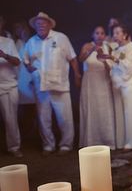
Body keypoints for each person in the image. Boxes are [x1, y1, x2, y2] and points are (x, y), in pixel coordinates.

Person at [23, 12, 81, 155]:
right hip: (40, 85)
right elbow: (25, 60)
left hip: (59, 84)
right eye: (38, 23)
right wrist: (30, 68)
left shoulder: (61, 38)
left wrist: (77, 74)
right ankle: (48, 145)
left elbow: (72, 58)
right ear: (35, 26)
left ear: (49, 24)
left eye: (43, 23)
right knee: (44, 118)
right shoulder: (31, 42)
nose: (41, 25)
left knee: (64, 117)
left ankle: (66, 145)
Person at [102, 25, 132, 150]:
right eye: (114, 33)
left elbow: (131, 66)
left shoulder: (131, 47)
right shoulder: (115, 49)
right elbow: (112, 67)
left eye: (118, 32)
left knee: (131, 113)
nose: (115, 35)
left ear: (124, 34)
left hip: (129, 84)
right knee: (119, 113)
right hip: (118, 85)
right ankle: (121, 141)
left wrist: (114, 58)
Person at [78, 26, 116, 148]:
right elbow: (81, 59)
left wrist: (103, 58)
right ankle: (91, 141)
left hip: (103, 80)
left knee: (104, 109)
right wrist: (92, 50)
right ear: (93, 35)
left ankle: (107, 141)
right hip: (89, 82)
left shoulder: (108, 47)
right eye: (97, 33)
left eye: (102, 33)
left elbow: (111, 67)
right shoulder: (87, 46)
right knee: (91, 109)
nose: (99, 35)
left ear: (105, 35)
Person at [12, 21, 38, 142]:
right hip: (20, 81)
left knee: (36, 108)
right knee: (23, 110)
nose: (20, 31)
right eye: (17, 29)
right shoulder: (16, 43)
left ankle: (36, 134)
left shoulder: (32, 42)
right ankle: (25, 136)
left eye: (21, 28)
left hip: (32, 79)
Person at [0, 28, 22, 157]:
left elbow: (17, 62)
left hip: (8, 85)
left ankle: (14, 147)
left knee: (10, 119)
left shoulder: (8, 42)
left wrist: (5, 55)